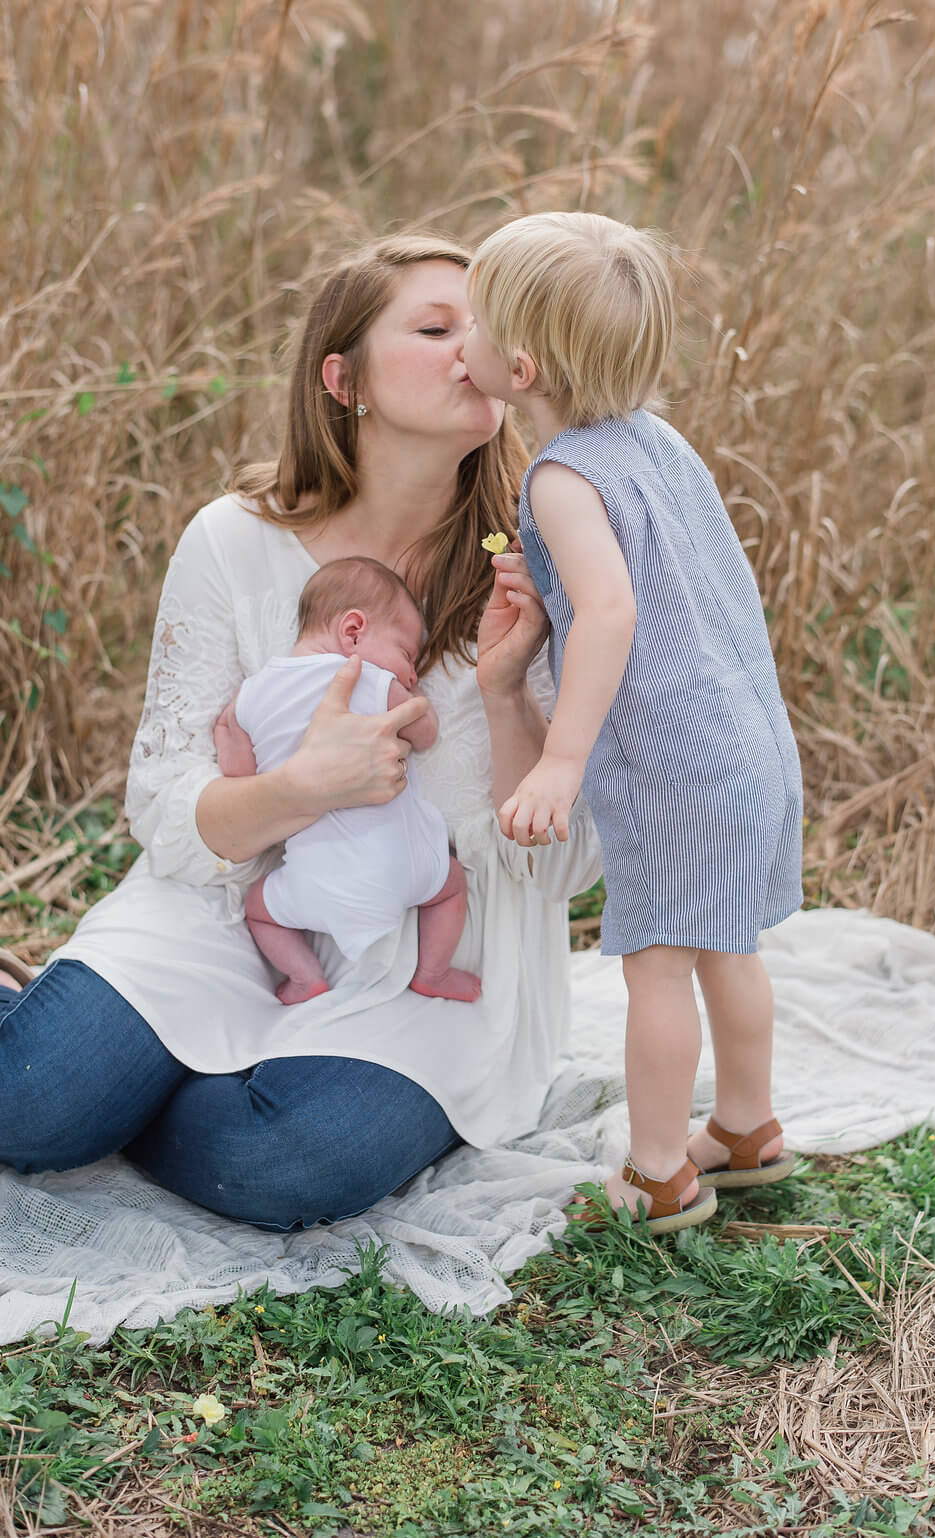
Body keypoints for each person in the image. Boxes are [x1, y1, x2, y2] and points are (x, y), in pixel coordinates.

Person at [0, 235, 603, 1230]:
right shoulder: (235, 541)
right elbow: (162, 799)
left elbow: (564, 864)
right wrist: (303, 786)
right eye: (435, 326)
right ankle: (77, 1047)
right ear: (342, 377)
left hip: (427, 953)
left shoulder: (538, 557)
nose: (473, 349)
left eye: (485, 327)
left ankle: (153, 1083)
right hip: (239, 901)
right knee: (29, 1101)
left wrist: (504, 691)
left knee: (277, 1158)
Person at [463, 211, 803, 1234]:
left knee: (656, 957)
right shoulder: (656, 443)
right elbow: (655, 570)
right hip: (747, 740)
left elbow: (613, 607)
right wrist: (560, 576)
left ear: (517, 365)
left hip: (674, 765)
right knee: (726, 945)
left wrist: (561, 758)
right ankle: (745, 1126)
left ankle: (658, 1171)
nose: (462, 338)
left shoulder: (561, 476)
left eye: (471, 323)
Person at [218, 555, 480, 1005]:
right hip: (403, 873)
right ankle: (433, 973)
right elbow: (427, 732)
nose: (413, 672)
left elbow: (236, 766)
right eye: (407, 654)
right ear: (353, 632)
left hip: (312, 884)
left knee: (259, 911)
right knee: (451, 884)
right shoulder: (372, 681)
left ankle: (305, 979)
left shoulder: (252, 694)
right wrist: (410, 694)